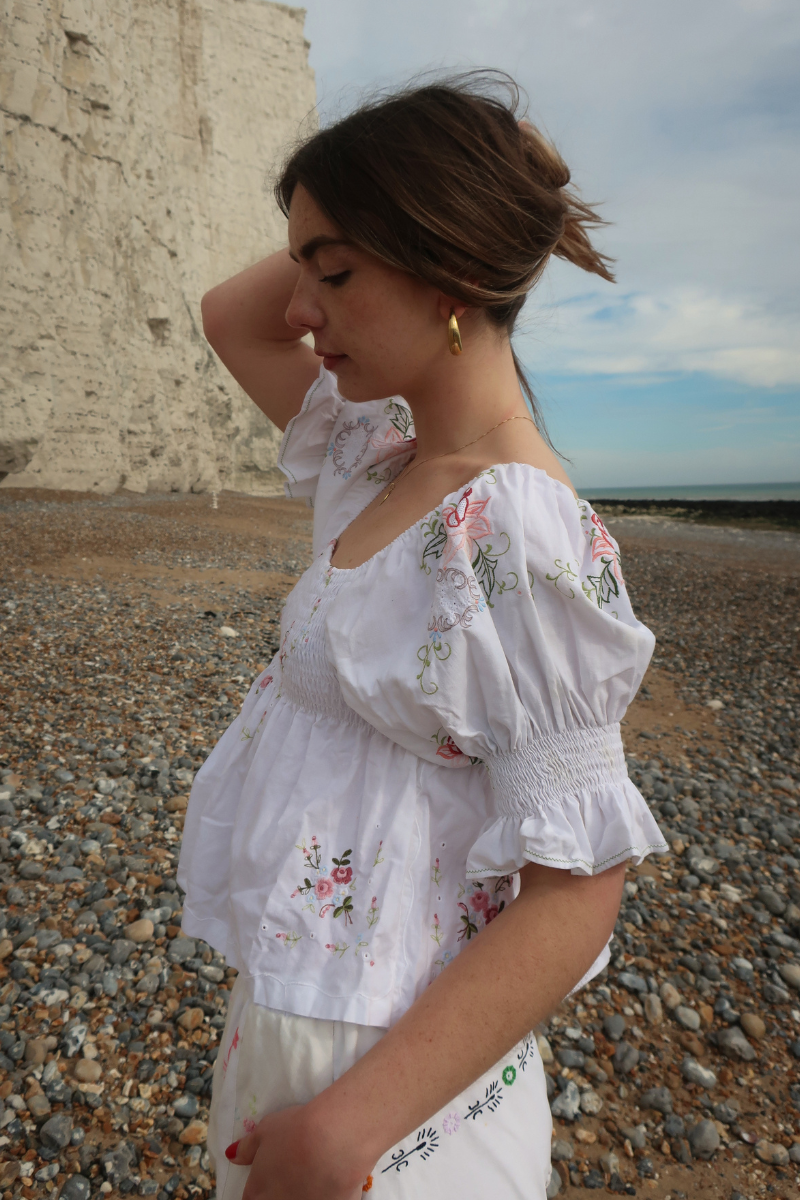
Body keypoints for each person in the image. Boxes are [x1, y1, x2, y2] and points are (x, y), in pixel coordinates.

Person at [178, 71, 667, 1200]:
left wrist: (348, 1128)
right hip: (304, 1014)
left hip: (392, 1080)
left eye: (334, 273)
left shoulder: (517, 528)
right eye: (304, 268)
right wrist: (455, 180)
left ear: (445, 266)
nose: (300, 308)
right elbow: (230, 316)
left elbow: (577, 886)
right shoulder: (375, 458)